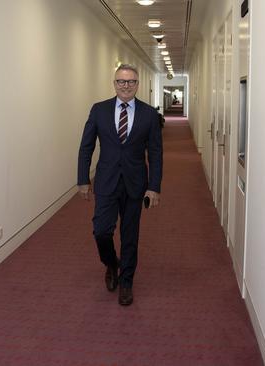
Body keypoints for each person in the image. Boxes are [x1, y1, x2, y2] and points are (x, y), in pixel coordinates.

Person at [77, 64, 163, 306]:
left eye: (131, 81)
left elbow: (156, 152)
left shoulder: (148, 114)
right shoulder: (99, 110)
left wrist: (154, 186)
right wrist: (83, 179)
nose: (126, 86)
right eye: (121, 81)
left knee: (130, 235)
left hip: (136, 184)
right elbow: (86, 146)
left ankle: (126, 282)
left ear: (137, 84)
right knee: (101, 231)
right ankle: (111, 263)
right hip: (106, 181)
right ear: (114, 84)